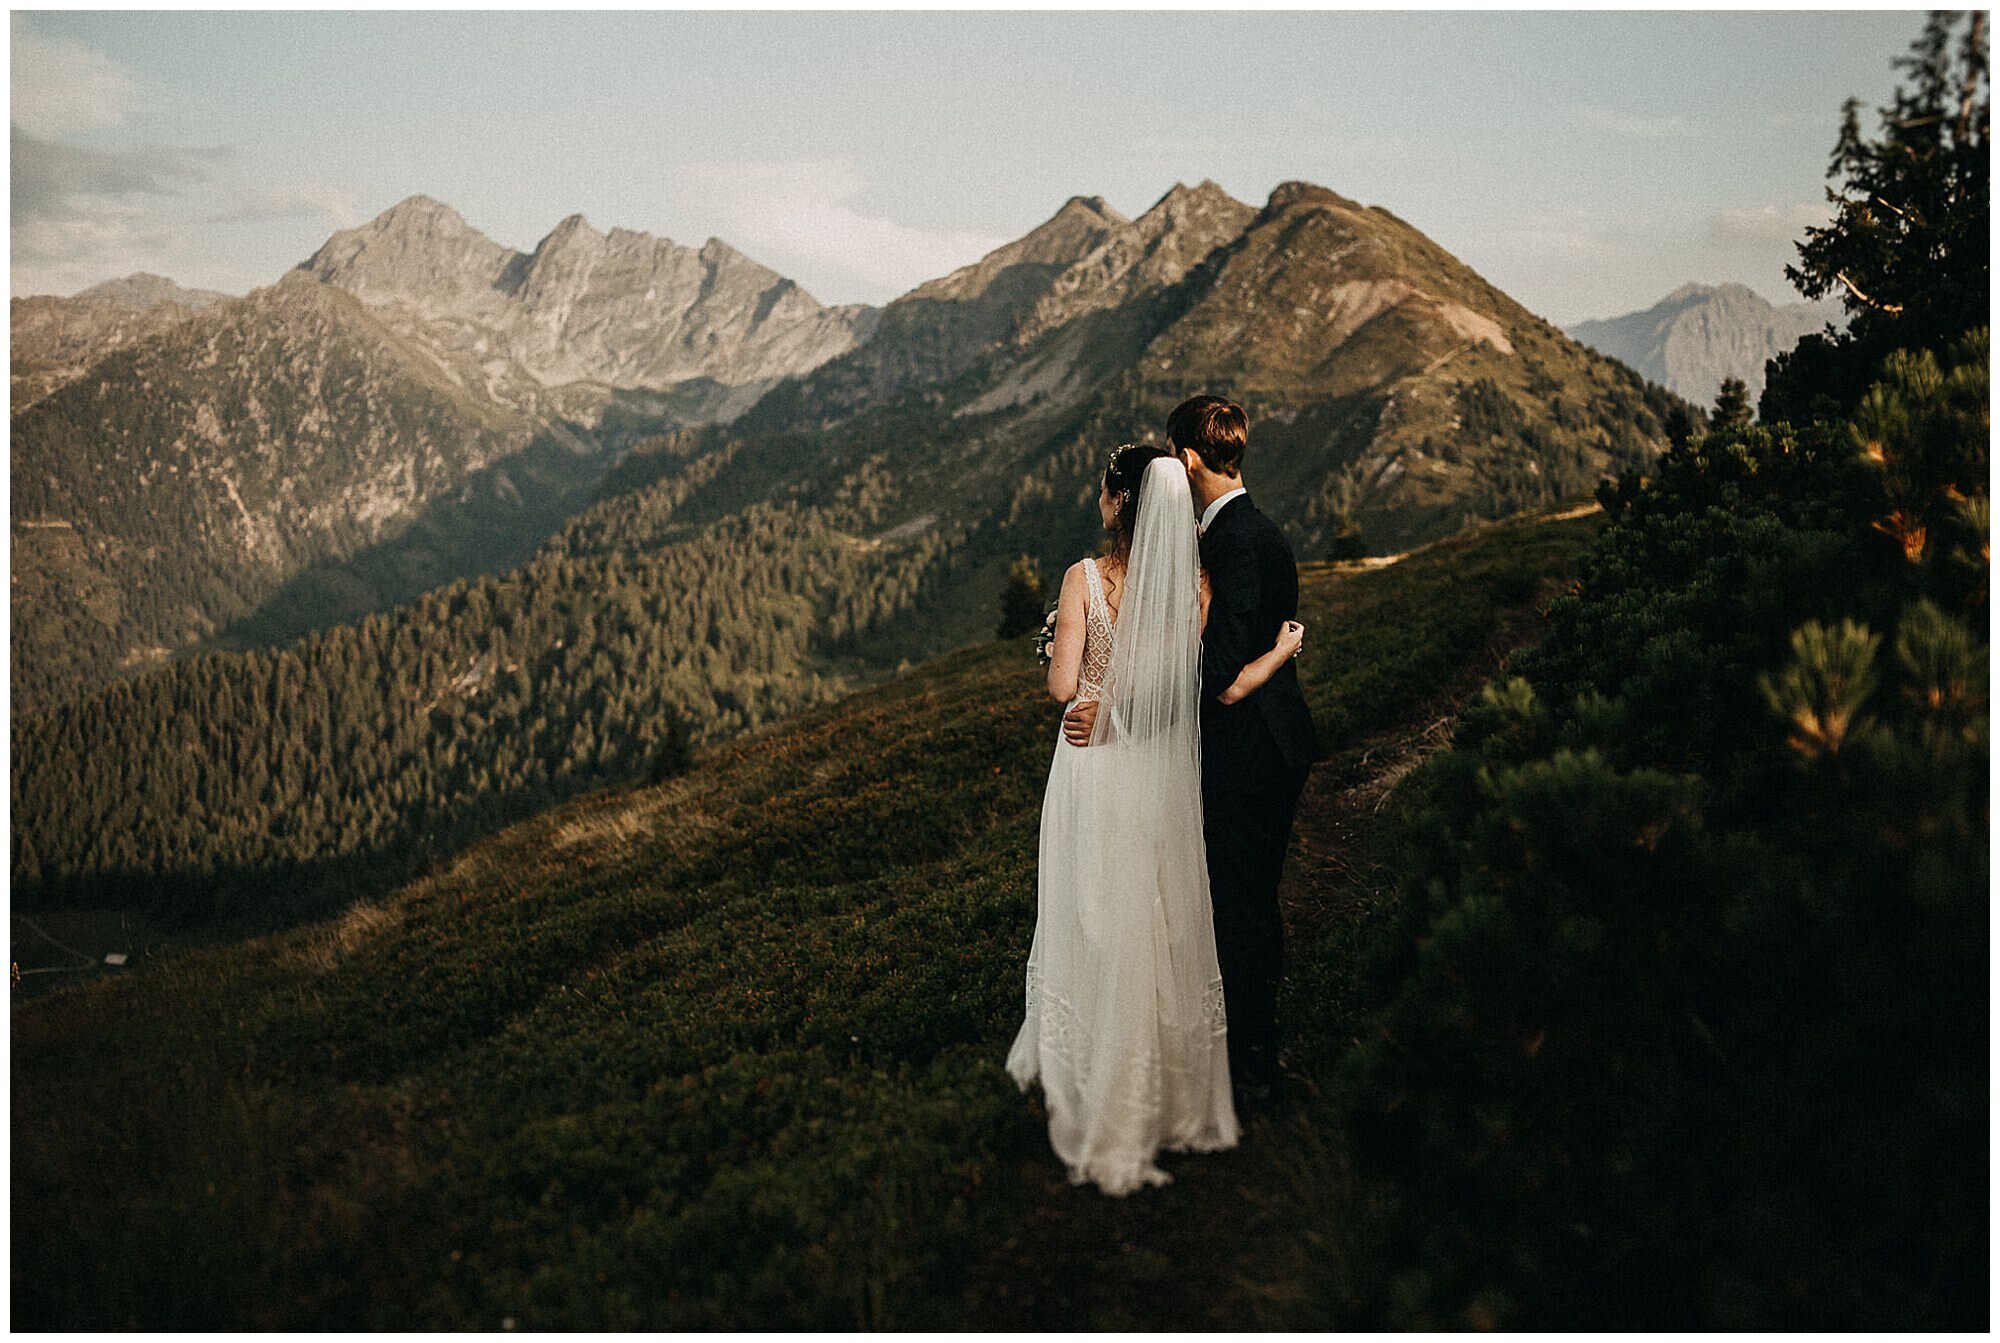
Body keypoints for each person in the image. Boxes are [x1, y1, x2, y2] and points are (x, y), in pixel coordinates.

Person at [1006, 443, 1306, 1195]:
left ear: (1117, 502)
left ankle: (1089, 1064)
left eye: (1104, 490)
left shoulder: (1082, 578)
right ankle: (1168, 1078)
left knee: (1090, 907)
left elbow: (1063, 685)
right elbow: (1186, 681)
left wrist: (1057, 649)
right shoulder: (1193, 582)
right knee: (1157, 908)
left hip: (1091, 762)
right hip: (1159, 762)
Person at [1064, 396, 1317, 1112]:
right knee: (1234, 900)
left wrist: (1120, 713)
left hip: (1250, 755)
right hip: (1260, 742)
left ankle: (1251, 1067)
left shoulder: (1233, 542)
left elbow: (1215, 677)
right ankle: (1235, 1050)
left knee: (1239, 904)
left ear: (1186, 459)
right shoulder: (1250, 530)